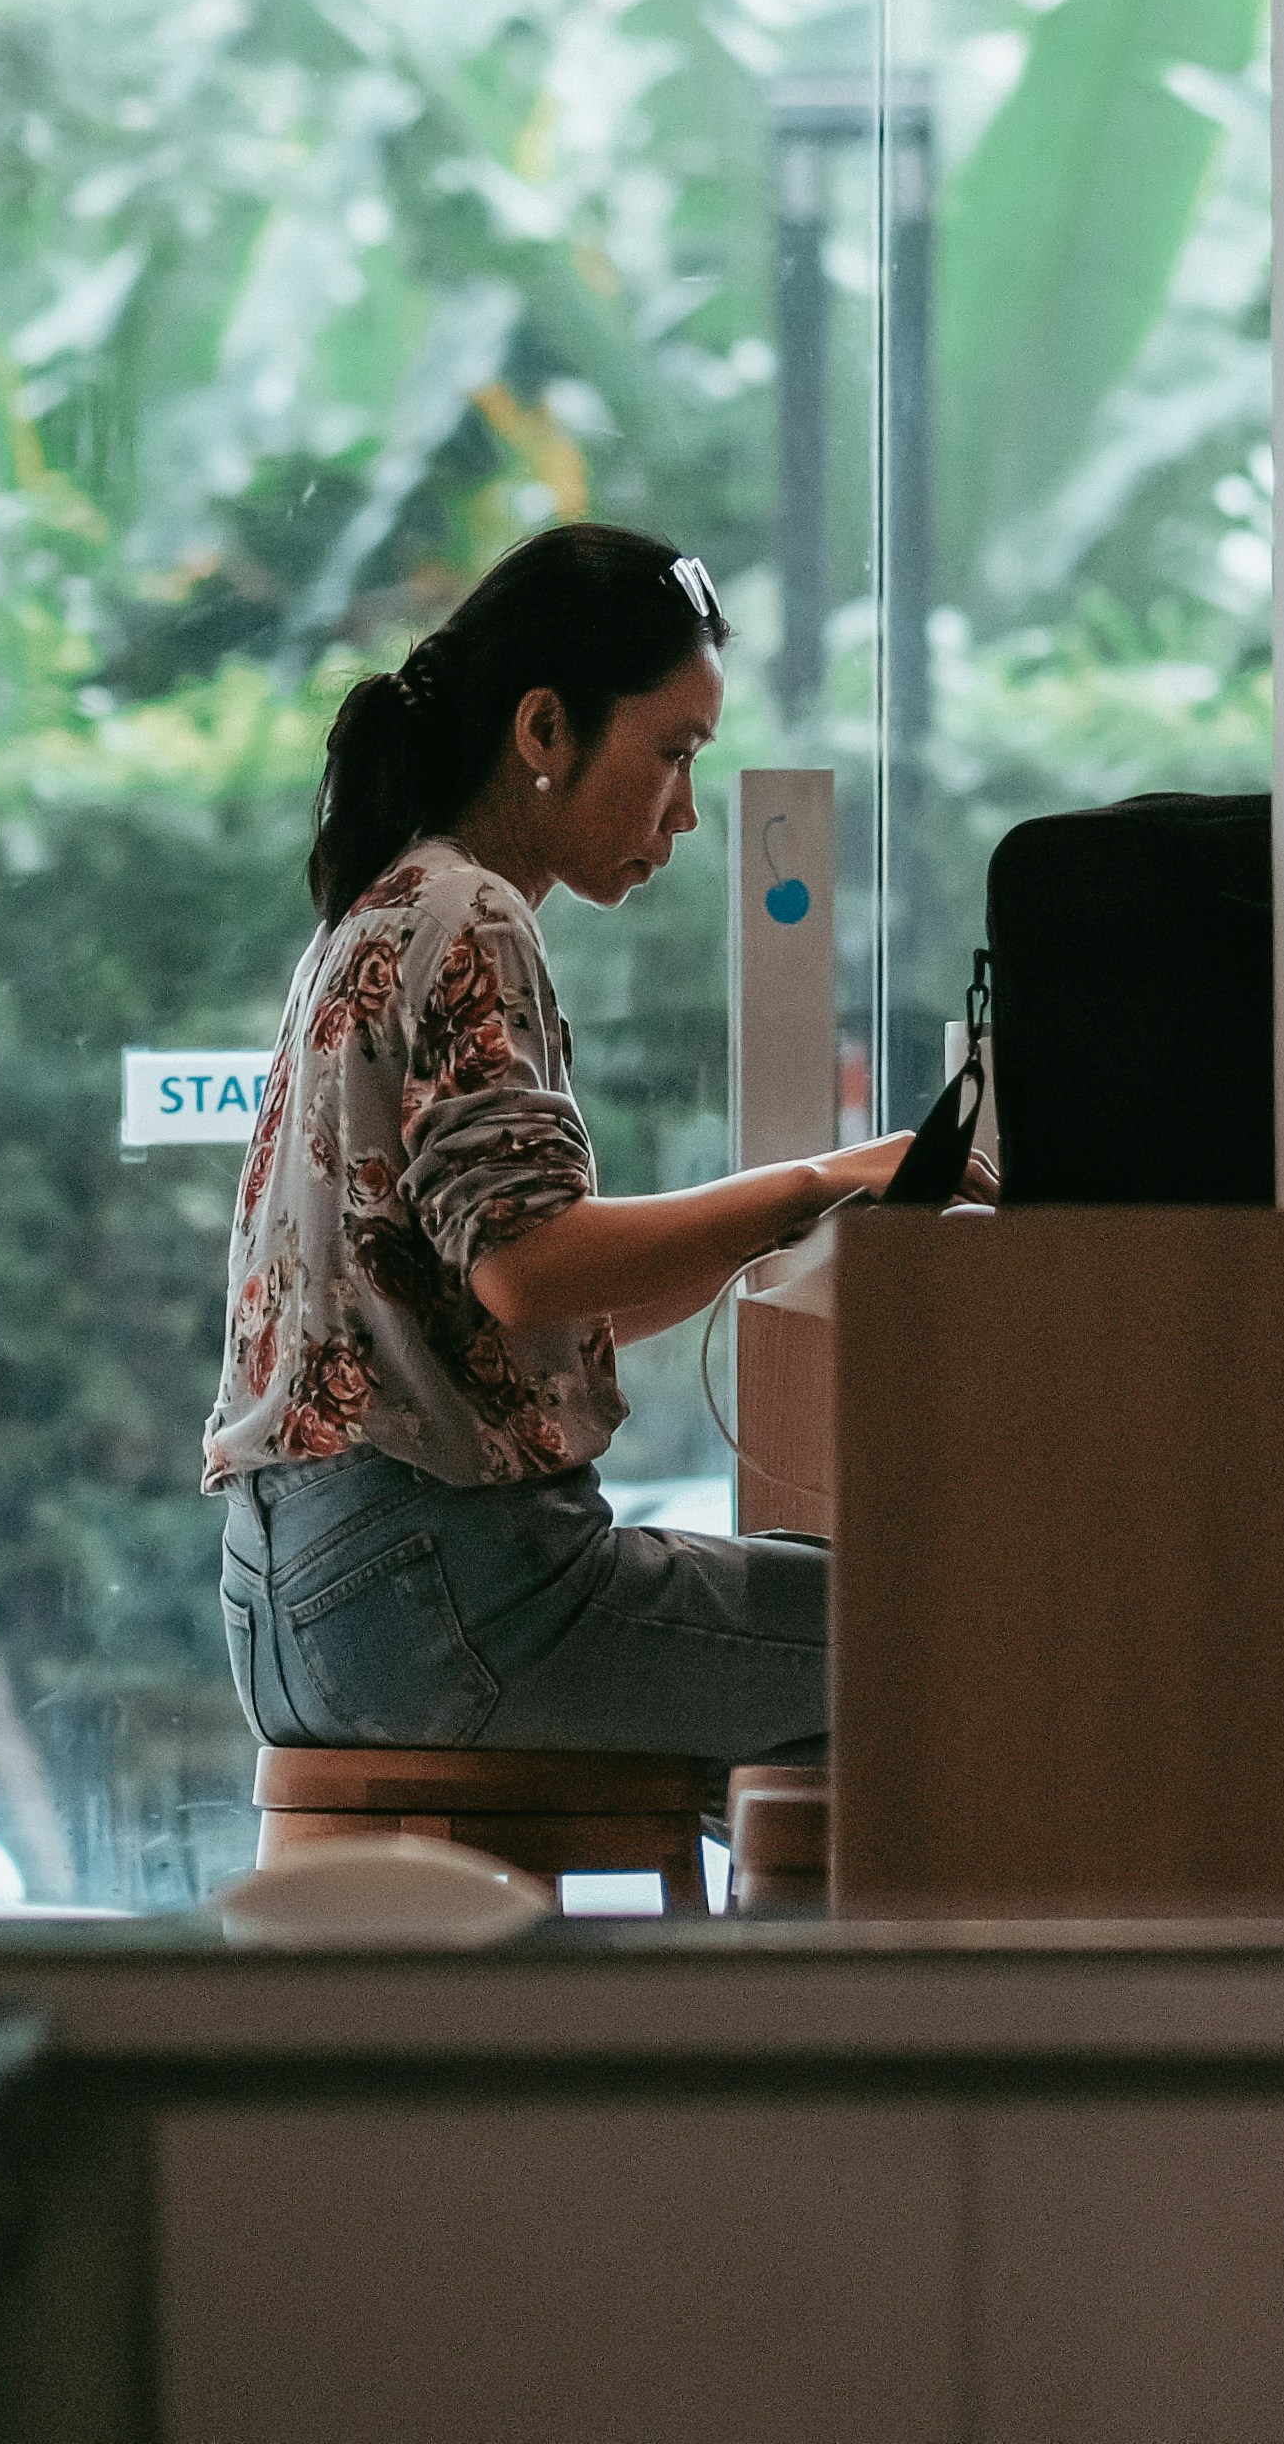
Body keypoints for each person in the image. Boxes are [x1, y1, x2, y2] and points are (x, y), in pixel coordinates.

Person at [205, 524, 909, 1762]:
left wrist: (792, 1213)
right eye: (672, 752)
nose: (686, 810)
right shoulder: (472, 912)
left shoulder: (379, 909)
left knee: (819, 1618)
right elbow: (527, 1265)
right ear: (544, 730)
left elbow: (494, 1305)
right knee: (955, 1631)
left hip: (292, 1607)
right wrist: (819, 1176)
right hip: (445, 1596)